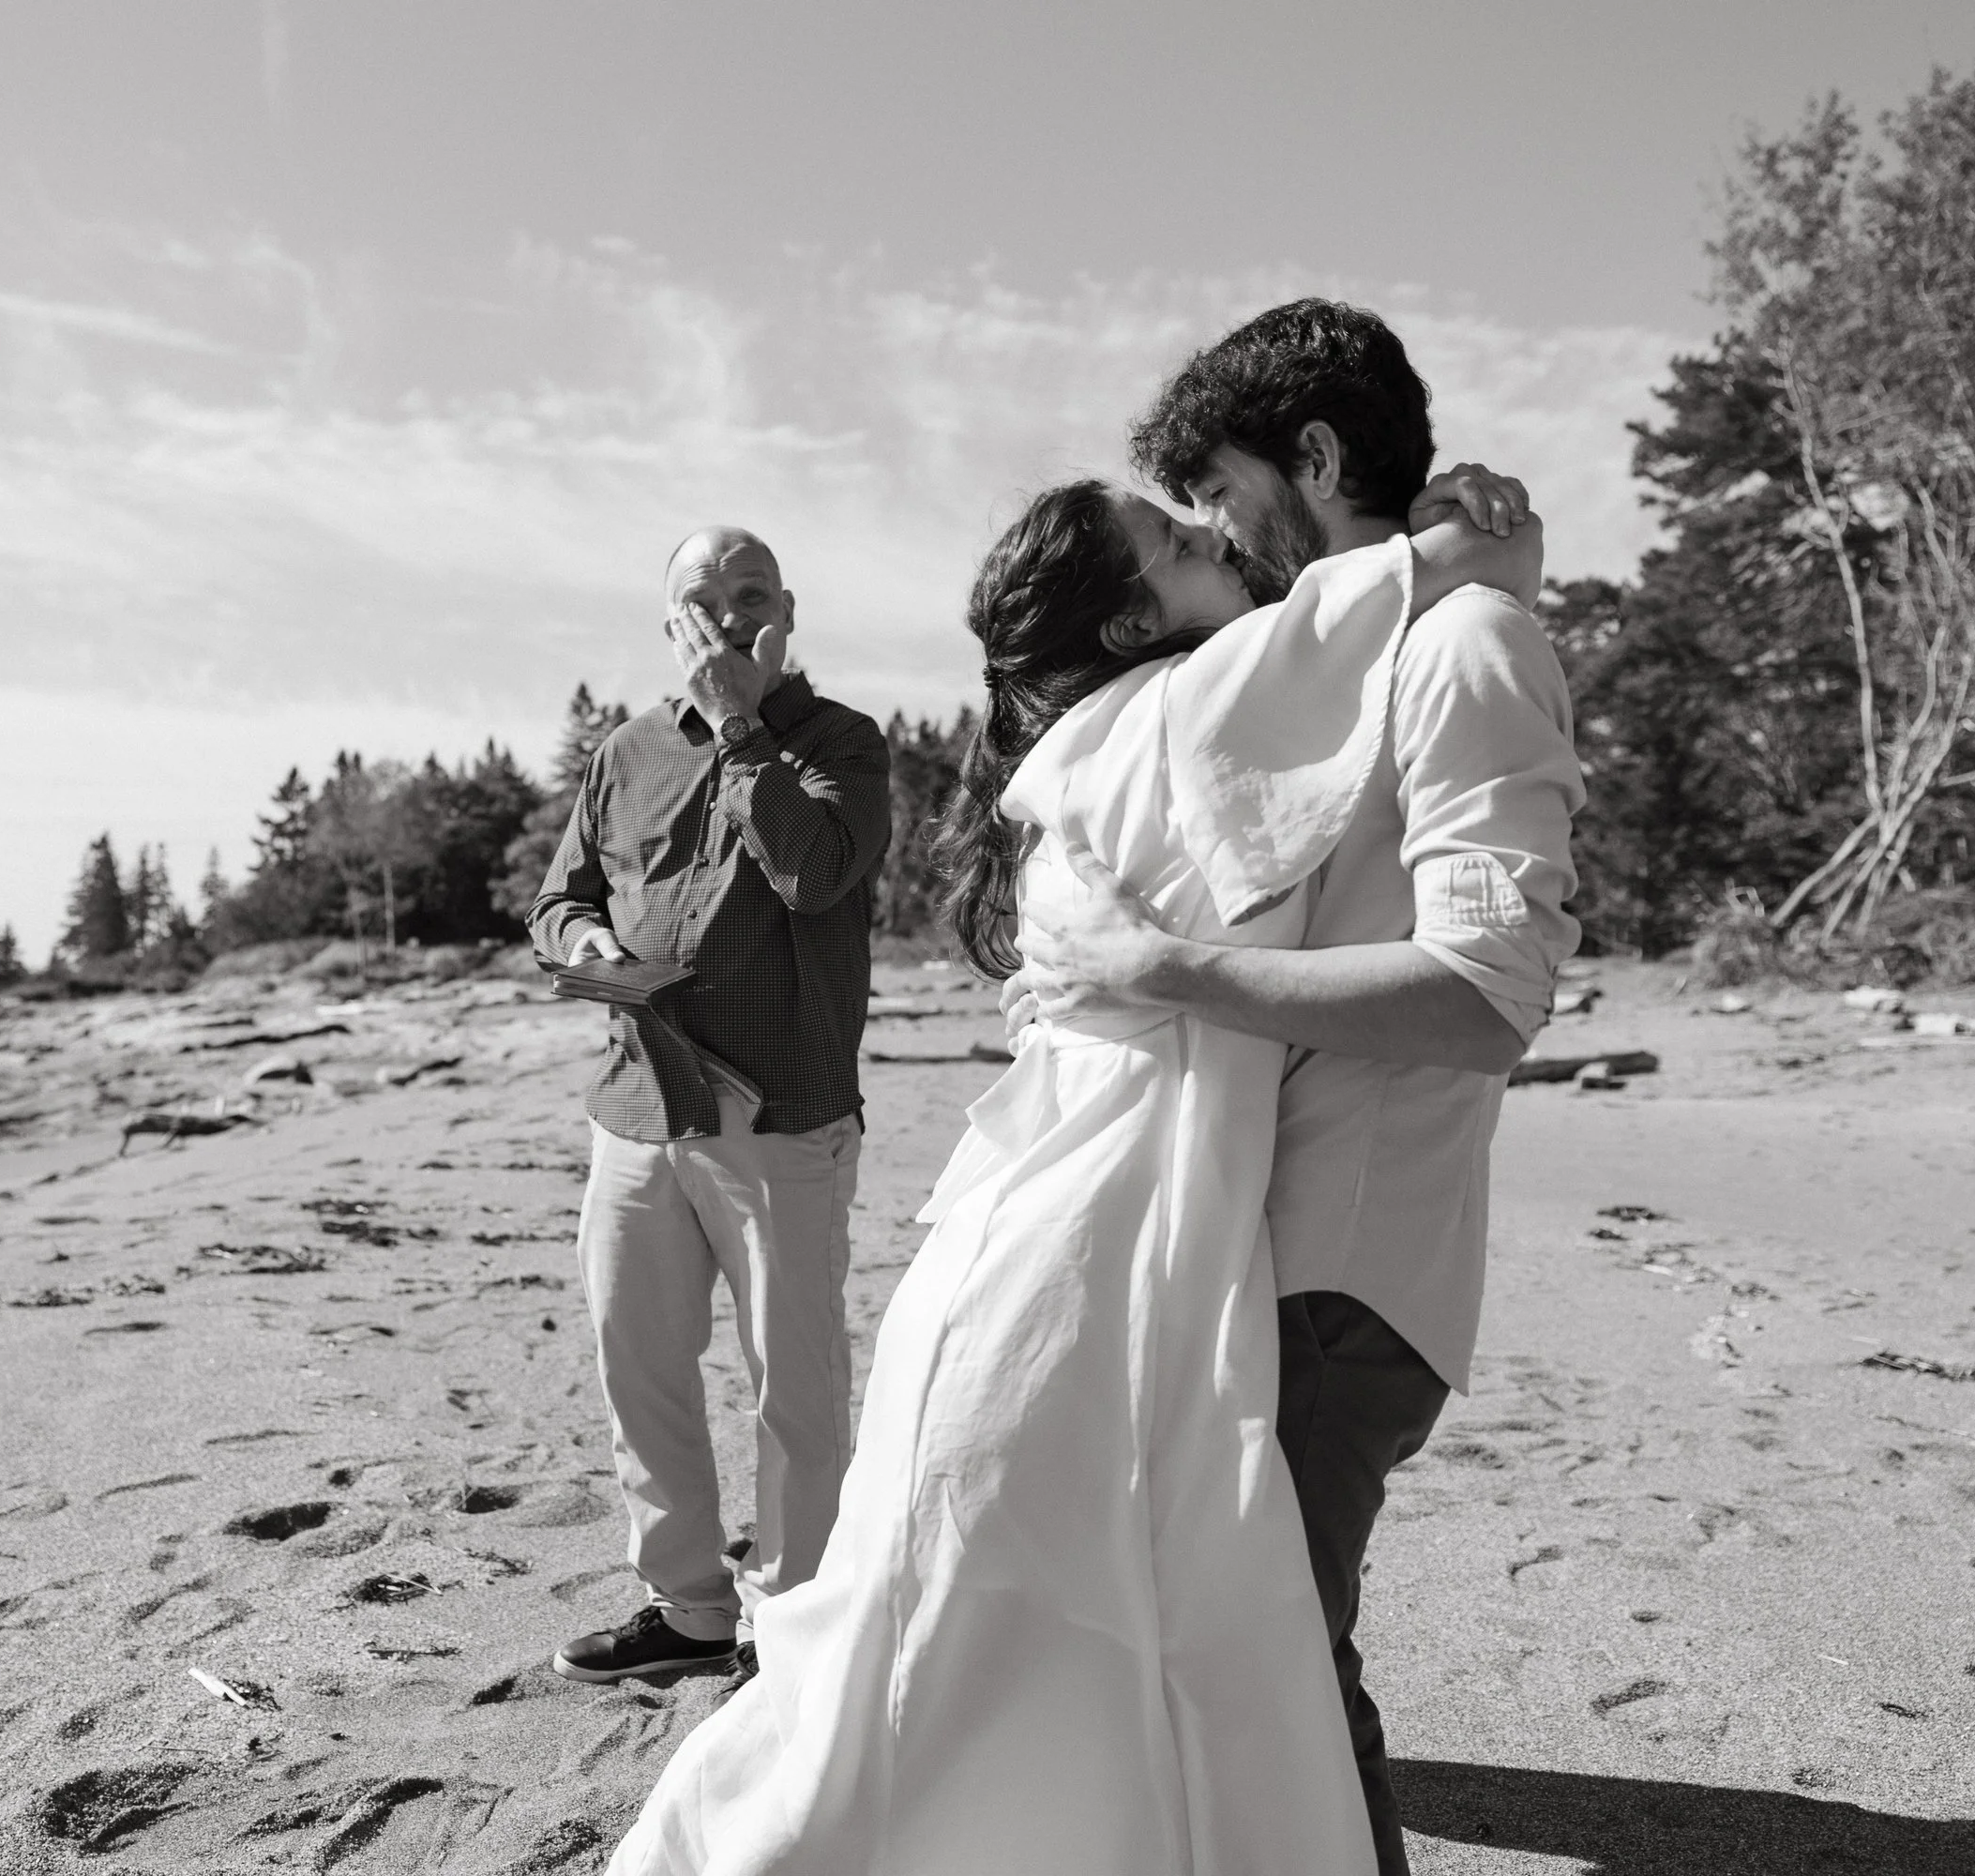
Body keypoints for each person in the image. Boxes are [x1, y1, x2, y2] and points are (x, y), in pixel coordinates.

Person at [605, 471, 1540, 1874]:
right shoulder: (1175, 712)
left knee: (997, 1633)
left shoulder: (1108, 735)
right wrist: (1477, 544)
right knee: (979, 1638)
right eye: (1173, 541)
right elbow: (1385, 597)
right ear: (1118, 625)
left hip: (1079, 1242)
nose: (1213, 538)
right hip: (1078, 1260)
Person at [1014, 299, 1585, 1876]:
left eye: (1223, 492)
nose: (1213, 531)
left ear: (1315, 458)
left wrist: (1165, 975)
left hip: (1342, 1276)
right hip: (1262, 1257)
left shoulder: (1466, 646)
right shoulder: (1344, 651)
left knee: (1277, 1695)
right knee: (1233, 1681)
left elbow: (1487, 994)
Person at [532, 525, 892, 1687]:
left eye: (750, 595)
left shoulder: (842, 741)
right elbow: (559, 901)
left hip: (781, 1112)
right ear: (669, 619)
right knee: (637, 1362)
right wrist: (587, 940)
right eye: (703, 598)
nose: (728, 616)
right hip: (637, 1106)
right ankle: (686, 1606)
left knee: (793, 1382)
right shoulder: (623, 750)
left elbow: (813, 872)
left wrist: (741, 725)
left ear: (786, 608)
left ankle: (791, 1620)